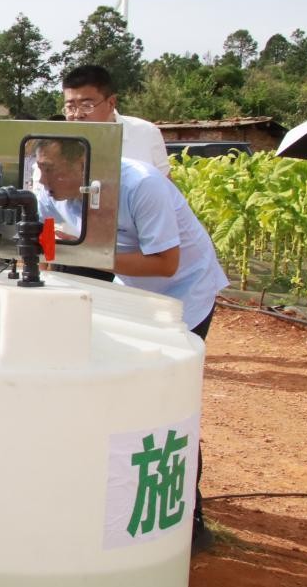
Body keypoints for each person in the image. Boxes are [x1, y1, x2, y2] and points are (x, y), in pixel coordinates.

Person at [34, 137, 228, 550]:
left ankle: (190, 519)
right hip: (132, 295)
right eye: (40, 167)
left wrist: (86, 252)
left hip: (183, 293)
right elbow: (51, 252)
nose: (43, 178)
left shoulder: (141, 185)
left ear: (83, 164)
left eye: (51, 169)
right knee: (122, 391)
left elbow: (166, 263)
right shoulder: (49, 191)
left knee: (168, 400)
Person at [62, 65, 170, 176]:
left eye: (86, 105)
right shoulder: (56, 143)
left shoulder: (146, 133)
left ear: (111, 103)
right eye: (70, 107)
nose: (77, 114)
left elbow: (166, 186)